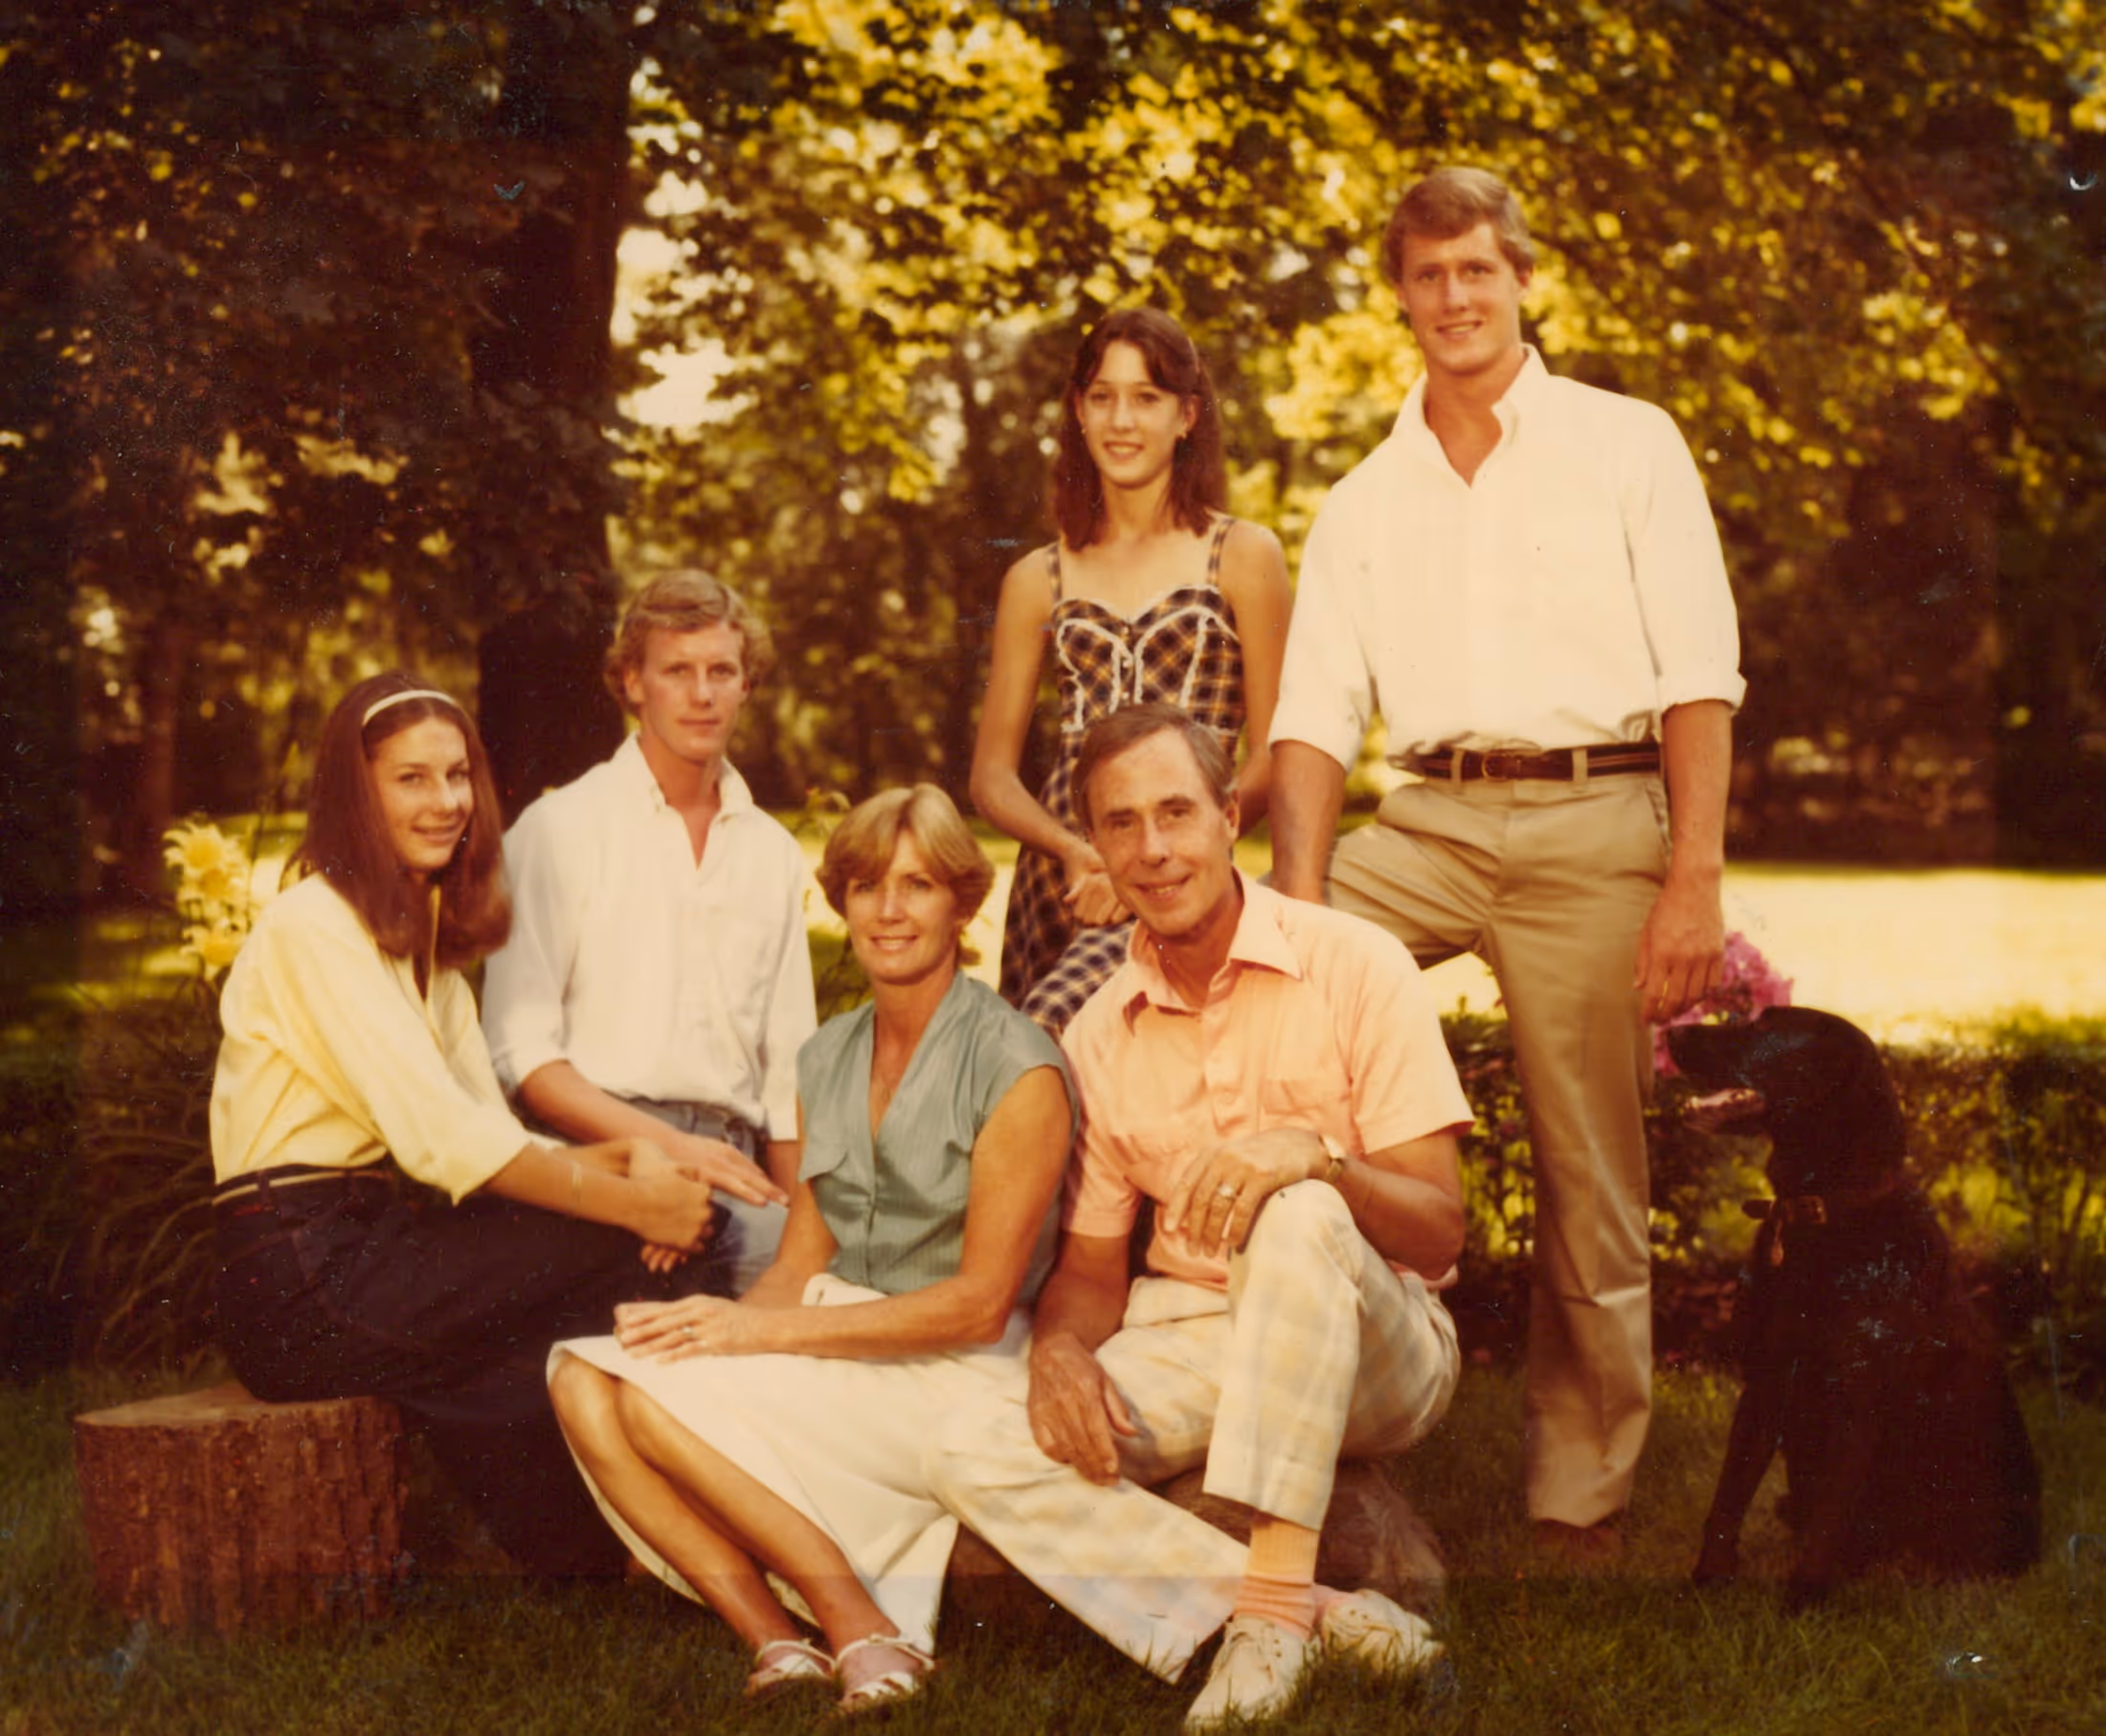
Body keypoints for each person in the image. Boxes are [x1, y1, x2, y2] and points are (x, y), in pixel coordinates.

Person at [1266, 167, 1746, 1563]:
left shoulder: (1626, 442)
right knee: (1249, 982)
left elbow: (1698, 673)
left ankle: (1578, 1495)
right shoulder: (1364, 497)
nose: (1454, 296)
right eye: (1427, 275)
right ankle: (1275, 1369)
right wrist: (1291, 913)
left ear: (1521, 277)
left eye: (1476, 268)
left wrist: (1692, 879)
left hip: (1597, 818)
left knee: (1591, 1163)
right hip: (1428, 825)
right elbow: (1313, 718)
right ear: (1399, 296)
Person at [928, 704, 1470, 1732]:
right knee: (969, 1443)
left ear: (1230, 815)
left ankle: (1264, 1623)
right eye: (1120, 822)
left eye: (1176, 811)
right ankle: (1327, 1613)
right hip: (1198, 1338)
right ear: (1096, 844)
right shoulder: (1098, 1030)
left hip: (1377, 1345)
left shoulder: (1357, 963)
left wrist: (1318, 1158)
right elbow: (1093, 1269)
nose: (1153, 848)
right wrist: (1058, 1352)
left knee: (1295, 1207)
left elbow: (1440, 1230)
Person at [547, 786, 1075, 1716]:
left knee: (654, 1406)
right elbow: (796, 1265)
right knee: (585, 1377)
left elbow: (978, 1305)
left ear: (963, 902)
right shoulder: (827, 1055)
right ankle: (778, 1641)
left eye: (917, 885)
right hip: (837, 1335)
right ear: (843, 901)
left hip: (959, 1364)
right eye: (867, 885)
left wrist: (750, 1339)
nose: (889, 909)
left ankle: (861, 1623)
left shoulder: (1016, 1061)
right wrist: (707, 1328)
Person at [210, 672, 717, 1576]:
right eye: (411, 778)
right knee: (626, 1254)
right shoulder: (313, 926)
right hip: (299, 1275)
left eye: (456, 776)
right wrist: (637, 1210)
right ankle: (641, 1531)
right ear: (355, 792)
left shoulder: (421, 939)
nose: (445, 802)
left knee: (535, 1322)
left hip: (369, 1246)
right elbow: (449, 1147)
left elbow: (486, 1125)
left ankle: (585, 1551)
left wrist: (633, 1158)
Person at [482, 570, 817, 1298]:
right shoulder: (559, 831)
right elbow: (522, 1054)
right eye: (677, 671)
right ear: (633, 682)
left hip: (735, 1166)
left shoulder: (772, 852)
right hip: (605, 1160)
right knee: (819, 1300)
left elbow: (788, 1076)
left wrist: (800, 1231)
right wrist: (669, 1150)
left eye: (721, 671)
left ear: (746, 684)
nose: (702, 695)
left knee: (830, 1274)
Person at [971, 307, 1290, 1035]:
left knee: (1052, 1034)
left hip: (1180, 860)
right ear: (1079, 412)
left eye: (1146, 397)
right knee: (1033, 1075)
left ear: (1187, 416)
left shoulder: (1242, 555)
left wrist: (1166, 850)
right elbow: (991, 777)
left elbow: (1277, 753)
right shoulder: (1039, 576)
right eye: (1103, 396)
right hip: (1067, 872)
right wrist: (1077, 853)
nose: (1122, 420)